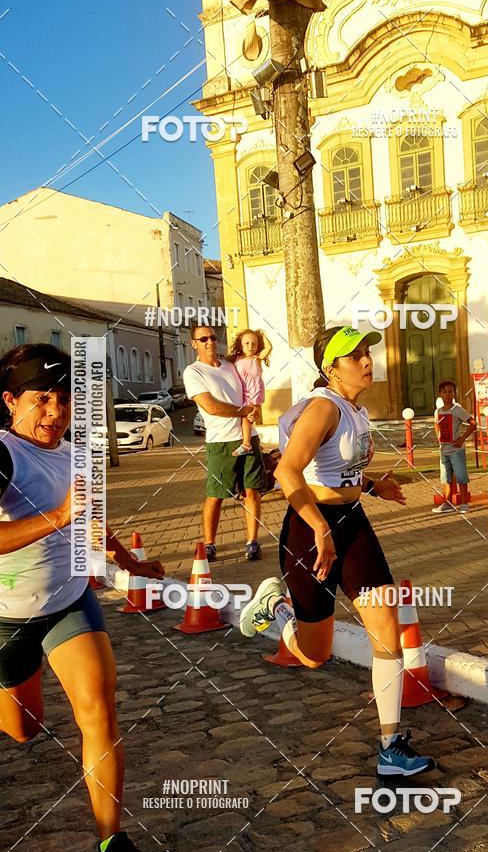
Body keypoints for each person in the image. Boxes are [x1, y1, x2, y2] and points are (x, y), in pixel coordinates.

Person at [238, 325, 436, 778]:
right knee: (315, 655)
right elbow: (288, 473)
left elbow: (337, 468)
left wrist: (371, 485)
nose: (368, 361)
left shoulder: (353, 409)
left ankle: (390, 745)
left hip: (353, 524)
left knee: (386, 626)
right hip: (310, 531)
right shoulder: (324, 407)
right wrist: (318, 528)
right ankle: (278, 608)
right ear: (331, 368)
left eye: (368, 353)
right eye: (356, 356)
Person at [0, 343, 164, 852]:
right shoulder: (3, 455)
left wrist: (125, 558)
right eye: (41, 398)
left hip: (70, 601)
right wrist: (57, 515)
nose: (55, 411)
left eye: (65, 398)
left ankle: (112, 848)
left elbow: (88, 519)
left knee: (99, 714)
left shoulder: (76, 454)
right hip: (7, 618)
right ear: (10, 401)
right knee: (24, 729)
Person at [183, 320, 266, 561]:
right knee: (216, 495)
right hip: (221, 443)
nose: (210, 342)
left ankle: (252, 541)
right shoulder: (194, 371)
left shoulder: (231, 366)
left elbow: (251, 390)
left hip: (249, 436)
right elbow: (211, 407)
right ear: (194, 344)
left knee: (252, 492)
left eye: (213, 337)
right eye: (203, 339)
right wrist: (243, 411)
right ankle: (210, 543)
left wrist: (255, 409)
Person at [431, 381, 476, 515]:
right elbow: (436, 424)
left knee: (461, 476)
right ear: (440, 394)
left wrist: (462, 439)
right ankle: (448, 503)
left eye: (450, 392)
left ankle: (463, 504)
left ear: (454, 393)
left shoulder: (457, 409)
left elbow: (472, 423)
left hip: (456, 450)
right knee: (446, 478)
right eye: (444, 392)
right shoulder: (438, 411)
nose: (447, 395)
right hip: (444, 450)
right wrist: (438, 436)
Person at [227, 329, 272, 457]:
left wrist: (262, 334)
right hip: (244, 393)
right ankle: (253, 443)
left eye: (254, 344)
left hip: (255, 393)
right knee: (249, 418)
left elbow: (269, 347)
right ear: (240, 344)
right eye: (247, 343)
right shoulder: (236, 360)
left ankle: (247, 444)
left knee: (247, 418)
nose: (250, 346)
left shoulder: (256, 359)